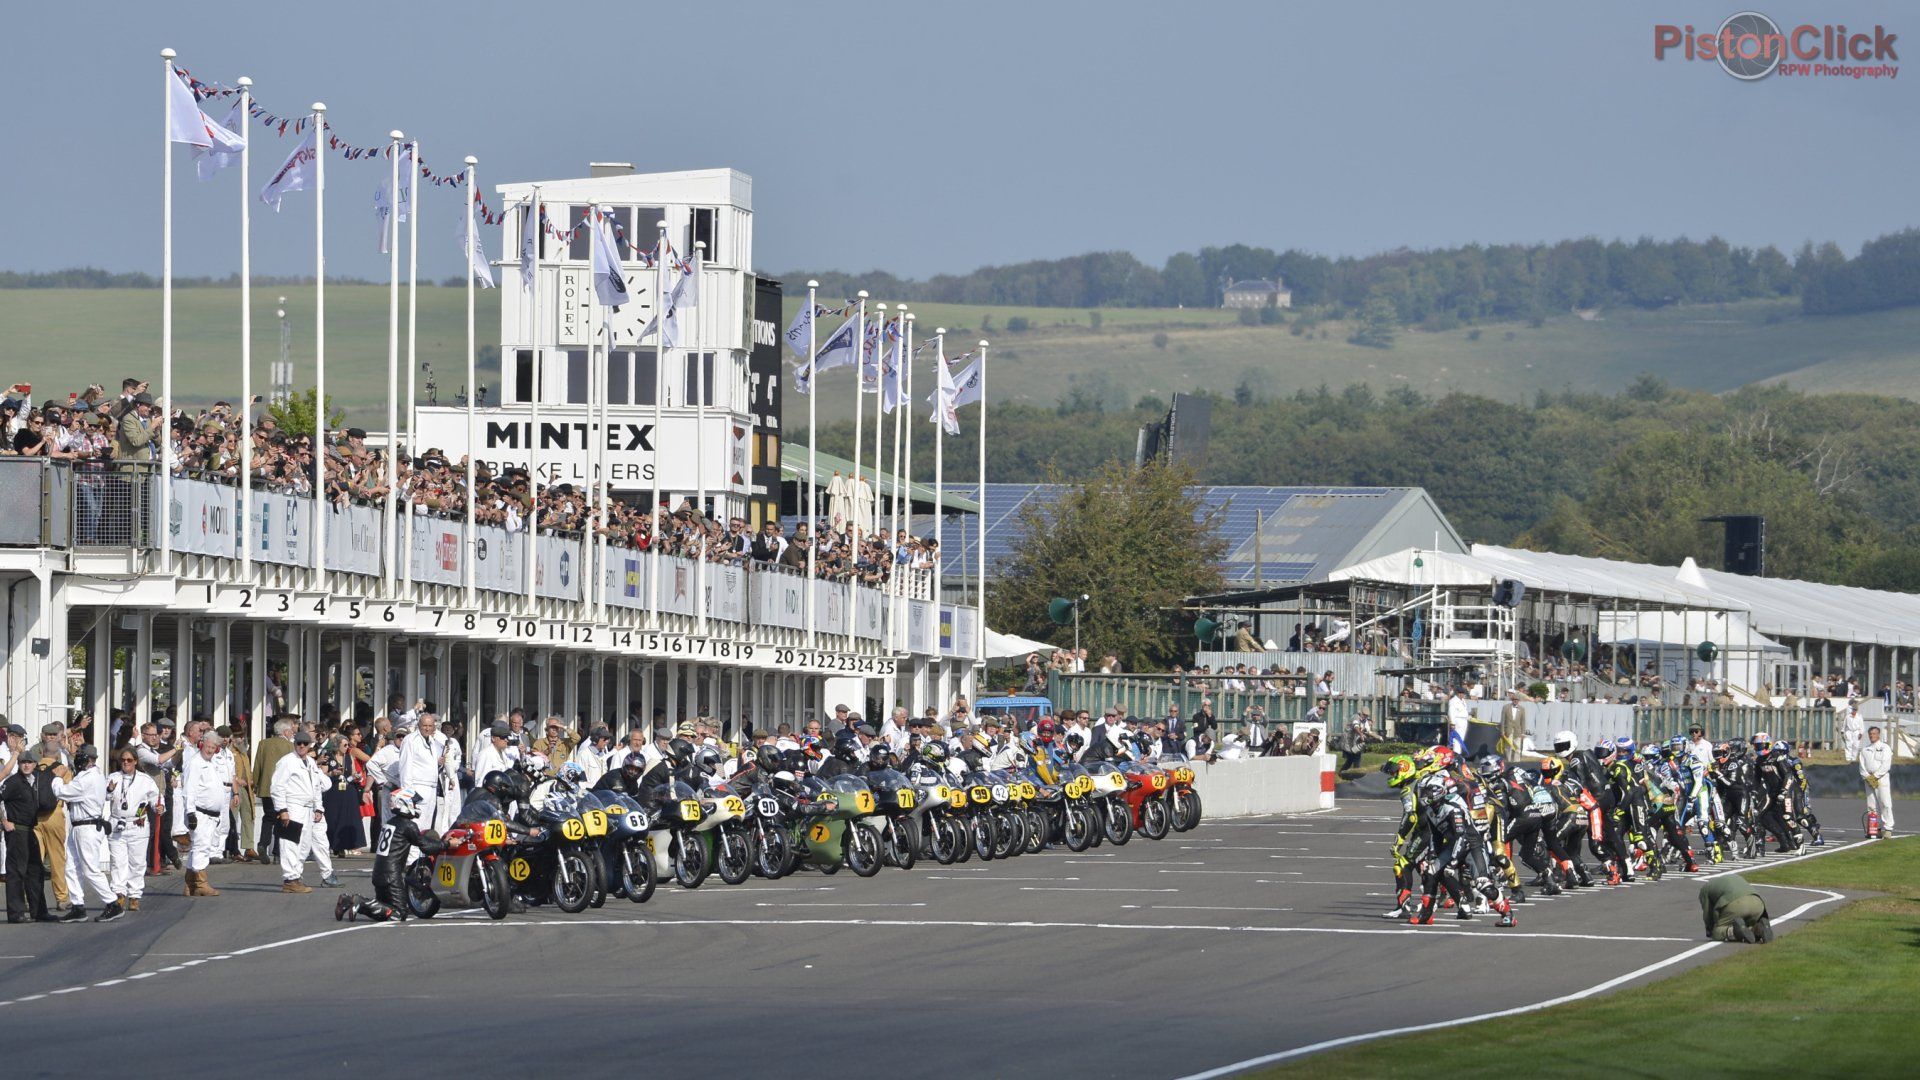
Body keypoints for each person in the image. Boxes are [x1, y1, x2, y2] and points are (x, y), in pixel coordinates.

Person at [335, 789, 448, 922]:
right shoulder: (408, 825)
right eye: (413, 803)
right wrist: (446, 844)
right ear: (404, 804)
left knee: (384, 908)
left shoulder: (390, 822)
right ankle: (360, 902)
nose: (416, 806)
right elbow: (426, 846)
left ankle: (348, 901)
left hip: (379, 874)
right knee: (400, 913)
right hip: (391, 877)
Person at [50, 745, 119, 922]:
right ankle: (78, 906)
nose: (77, 760)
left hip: (87, 827)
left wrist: (57, 777)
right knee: (71, 866)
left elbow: (61, 792)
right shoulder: (94, 774)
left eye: (80, 756)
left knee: (90, 869)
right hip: (79, 825)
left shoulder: (87, 778)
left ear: (87, 759)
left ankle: (113, 903)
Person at [272, 731, 337, 892]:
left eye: (305, 744)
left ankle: (296, 877)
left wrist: (318, 807)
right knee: (290, 843)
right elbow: (277, 787)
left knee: (304, 845)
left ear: (310, 746)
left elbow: (316, 787)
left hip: (308, 808)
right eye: (298, 743)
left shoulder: (311, 762)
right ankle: (290, 879)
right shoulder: (287, 761)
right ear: (294, 744)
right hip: (293, 806)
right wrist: (282, 809)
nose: (301, 746)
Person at [103, 747, 160, 914]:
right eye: (123, 760)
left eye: (129, 760)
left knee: (137, 862)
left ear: (135, 761)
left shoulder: (145, 779)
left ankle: (135, 895)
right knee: (117, 862)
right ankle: (119, 894)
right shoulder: (113, 777)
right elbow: (104, 796)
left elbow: (155, 798)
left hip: (137, 824)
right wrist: (109, 790)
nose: (126, 763)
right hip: (117, 824)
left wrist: (159, 807)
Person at [2, 749, 54, 923]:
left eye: (29, 762)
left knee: (35, 870)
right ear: (18, 764)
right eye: (23, 762)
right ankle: (16, 913)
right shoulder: (13, 782)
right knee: (16, 872)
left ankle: (39, 911)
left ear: (35, 764)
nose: (26, 765)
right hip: (16, 831)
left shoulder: (34, 781)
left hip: (30, 830)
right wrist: (4, 821)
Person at [180, 731, 231, 897]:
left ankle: (190, 884)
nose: (210, 750)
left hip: (211, 814)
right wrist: (190, 813)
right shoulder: (195, 763)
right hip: (200, 813)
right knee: (201, 847)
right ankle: (201, 883)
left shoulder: (211, 763)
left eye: (213, 747)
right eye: (208, 746)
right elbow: (189, 789)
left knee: (199, 847)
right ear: (202, 744)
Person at [251, 718, 296, 861]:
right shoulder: (290, 746)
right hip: (283, 789)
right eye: (291, 731)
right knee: (283, 818)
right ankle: (277, 851)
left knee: (268, 817)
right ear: (285, 732)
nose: (292, 733)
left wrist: (255, 784)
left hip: (266, 787)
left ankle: (263, 844)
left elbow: (257, 765)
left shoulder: (263, 743)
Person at [1699, 874, 1773, 943]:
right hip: (1758, 903)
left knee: (1716, 932)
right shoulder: (1734, 877)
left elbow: (1707, 914)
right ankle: (1758, 929)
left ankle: (1734, 932)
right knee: (1745, 925)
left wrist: (1711, 929)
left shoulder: (1704, 890)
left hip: (1737, 904)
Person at [1860, 725, 1895, 837]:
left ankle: (1888, 828)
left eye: (1874, 733)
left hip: (1881, 778)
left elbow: (1886, 765)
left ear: (1878, 734)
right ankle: (1875, 829)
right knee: (1871, 805)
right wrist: (1867, 777)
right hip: (1868, 779)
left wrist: (1875, 776)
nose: (1872, 736)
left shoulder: (1885, 748)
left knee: (1885, 803)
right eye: (1870, 734)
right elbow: (1862, 766)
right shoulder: (1865, 749)